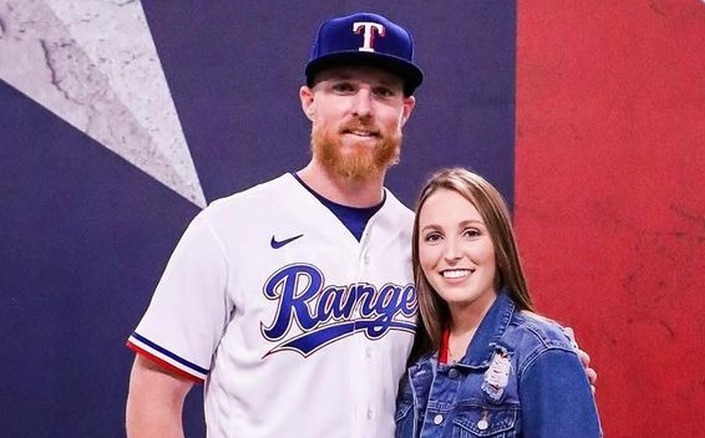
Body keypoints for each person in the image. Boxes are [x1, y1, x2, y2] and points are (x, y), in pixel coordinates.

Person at [125, 12, 596, 438]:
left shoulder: (424, 244)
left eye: (383, 92)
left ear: (404, 111)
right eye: (344, 87)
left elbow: (479, 356)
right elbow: (155, 393)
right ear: (310, 101)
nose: (363, 108)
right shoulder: (229, 228)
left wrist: (548, 372)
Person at [395, 168, 602, 437]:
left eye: (470, 233)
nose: (452, 254)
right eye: (434, 237)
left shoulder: (541, 351)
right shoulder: (415, 360)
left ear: (498, 243)